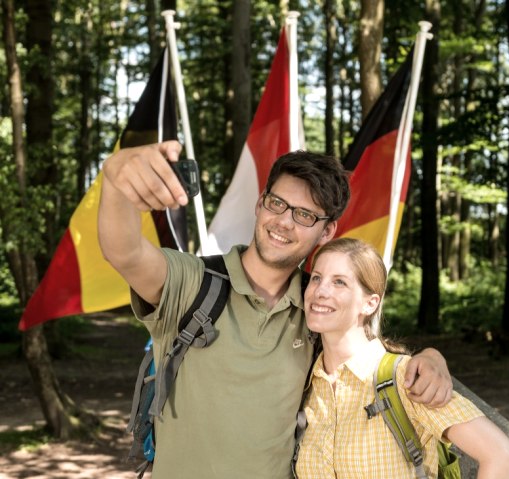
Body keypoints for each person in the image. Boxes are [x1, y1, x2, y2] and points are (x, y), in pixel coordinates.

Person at [98, 141, 454, 479]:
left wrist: (432, 358)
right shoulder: (193, 282)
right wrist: (115, 178)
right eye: (277, 203)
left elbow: (370, 356)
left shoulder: (318, 305)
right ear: (260, 204)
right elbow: (124, 251)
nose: (284, 221)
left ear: (327, 230)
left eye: (304, 215)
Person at [296, 237, 509, 479]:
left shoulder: (404, 378)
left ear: (370, 303)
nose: (320, 291)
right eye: (317, 278)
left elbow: (502, 456)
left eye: (339, 282)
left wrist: (434, 356)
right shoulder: (307, 382)